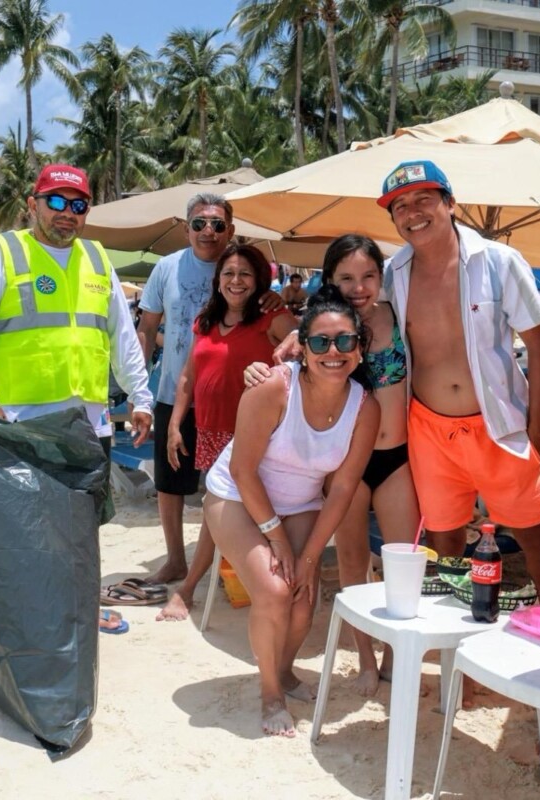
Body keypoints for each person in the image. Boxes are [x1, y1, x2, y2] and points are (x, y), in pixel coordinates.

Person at [0, 163, 153, 634]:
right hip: (22, 418)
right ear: (33, 205)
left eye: (79, 204)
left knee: (84, 524)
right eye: (57, 202)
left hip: (88, 420)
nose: (68, 213)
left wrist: (140, 396)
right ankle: (32, 613)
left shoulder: (97, 259)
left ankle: (82, 607)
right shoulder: (4, 252)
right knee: (24, 525)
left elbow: (122, 336)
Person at [378, 159, 540, 603]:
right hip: (428, 428)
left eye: (423, 199)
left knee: (535, 536)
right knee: (445, 542)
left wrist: (536, 428)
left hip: (498, 423)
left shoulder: (498, 261)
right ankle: (459, 633)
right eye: (399, 206)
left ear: (450, 203)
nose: (412, 212)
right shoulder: (393, 272)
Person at [247, 234, 421, 696]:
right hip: (345, 466)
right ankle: (364, 657)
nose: (359, 286)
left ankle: (393, 656)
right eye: (346, 277)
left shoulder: (398, 316)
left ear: (381, 278)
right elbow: (279, 371)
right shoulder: (317, 328)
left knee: (402, 565)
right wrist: (258, 371)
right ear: (330, 279)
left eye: (368, 276)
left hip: (397, 457)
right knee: (352, 564)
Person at [205, 285, 380, 737]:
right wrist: (277, 538)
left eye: (345, 341)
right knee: (275, 591)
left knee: (303, 594)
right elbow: (243, 470)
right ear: (302, 347)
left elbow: (342, 487)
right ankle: (270, 694)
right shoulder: (273, 388)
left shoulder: (365, 408)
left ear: (359, 350)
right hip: (236, 497)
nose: (333, 351)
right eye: (320, 341)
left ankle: (281, 670)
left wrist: (307, 558)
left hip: (301, 502)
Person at [135, 193, 281, 585]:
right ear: (186, 229)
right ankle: (176, 559)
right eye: (199, 223)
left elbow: (284, 331)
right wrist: (138, 390)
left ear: (230, 230)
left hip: (237, 403)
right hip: (174, 391)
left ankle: (228, 560)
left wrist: (276, 299)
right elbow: (147, 329)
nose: (208, 231)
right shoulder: (166, 269)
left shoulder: (244, 269)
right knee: (171, 481)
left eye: (217, 224)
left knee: (234, 484)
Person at [156, 244, 297, 621]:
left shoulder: (272, 317)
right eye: (229, 274)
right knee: (218, 511)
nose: (236, 281)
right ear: (218, 280)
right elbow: (188, 375)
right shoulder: (205, 319)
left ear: (259, 281)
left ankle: (187, 590)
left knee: (216, 513)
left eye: (245, 274)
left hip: (251, 436)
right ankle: (233, 577)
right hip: (209, 430)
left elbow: (303, 344)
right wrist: (174, 424)